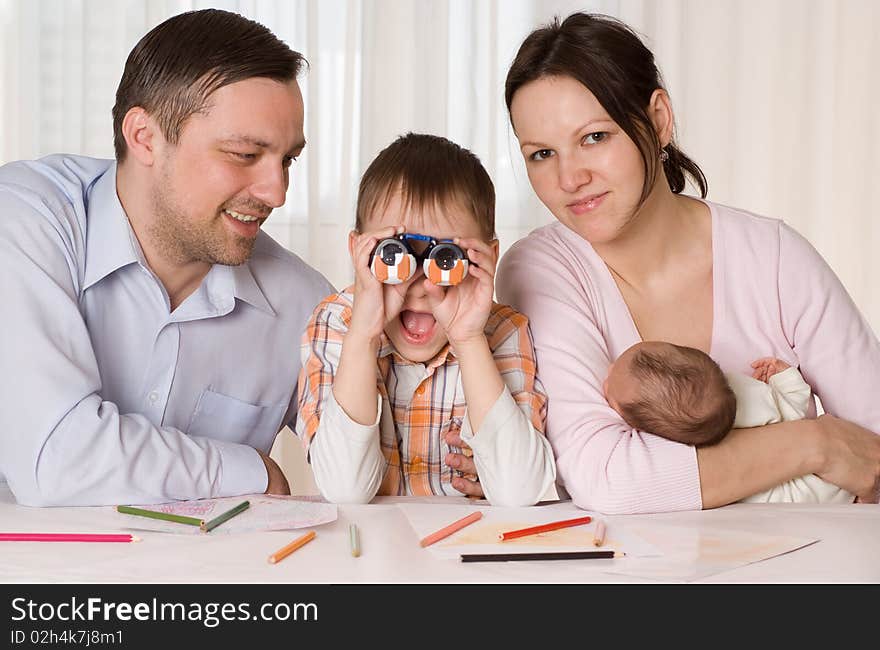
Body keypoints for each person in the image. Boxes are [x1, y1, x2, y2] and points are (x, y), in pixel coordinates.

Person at [495, 12, 880, 514]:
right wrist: (817, 444)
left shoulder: (774, 257)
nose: (570, 178)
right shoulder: (540, 271)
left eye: (594, 137)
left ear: (657, 119)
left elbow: (873, 453)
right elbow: (606, 478)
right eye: (542, 153)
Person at [0, 9, 334, 506]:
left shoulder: (305, 304)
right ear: (145, 137)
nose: (277, 192)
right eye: (244, 154)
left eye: (287, 159)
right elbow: (57, 460)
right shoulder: (27, 220)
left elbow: (372, 472)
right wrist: (253, 470)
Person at [294, 133, 556, 506]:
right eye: (394, 255)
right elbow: (343, 489)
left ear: (486, 257)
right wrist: (364, 337)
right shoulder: (338, 323)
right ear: (357, 251)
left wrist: (468, 340)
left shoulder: (502, 332)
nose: (418, 285)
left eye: (444, 259)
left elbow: (521, 491)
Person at [604, 341, 853, 503]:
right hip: (823, 480)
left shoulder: (673, 447)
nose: (610, 368)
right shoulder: (743, 394)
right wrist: (784, 376)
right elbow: (795, 406)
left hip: (793, 498)